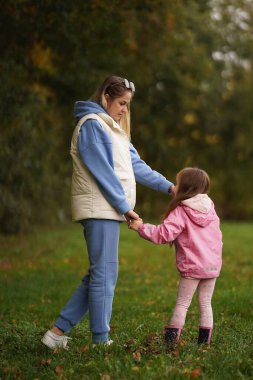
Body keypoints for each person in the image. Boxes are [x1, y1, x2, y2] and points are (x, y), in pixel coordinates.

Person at [42, 75, 174, 349]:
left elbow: (138, 167)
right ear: (105, 97)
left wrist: (170, 187)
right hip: (99, 208)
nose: (125, 109)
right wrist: (126, 208)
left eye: (128, 105)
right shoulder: (92, 125)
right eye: (121, 103)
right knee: (103, 275)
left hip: (107, 209)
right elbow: (102, 172)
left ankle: (56, 334)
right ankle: (100, 340)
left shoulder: (115, 130)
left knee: (100, 274)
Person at [130, 167, 222, 346]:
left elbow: (163, 234)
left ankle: (171, 343)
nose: (174, 187)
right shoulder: (210, 208)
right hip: (212, 266)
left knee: (182, 304)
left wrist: (141, 227)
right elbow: (218, 237)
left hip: (192, 266)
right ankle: (204, 344)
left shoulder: (182, 210)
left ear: (185, 188)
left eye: (178, 184)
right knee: (205, 303)